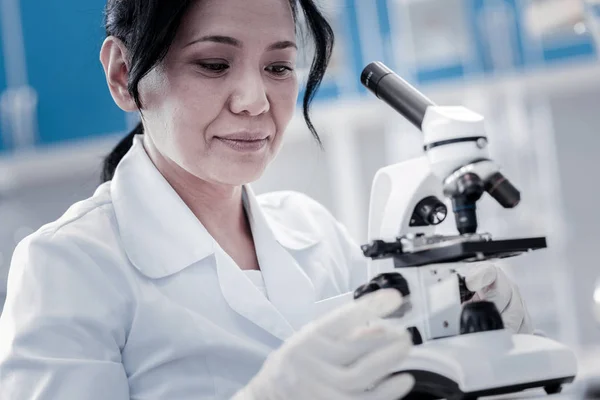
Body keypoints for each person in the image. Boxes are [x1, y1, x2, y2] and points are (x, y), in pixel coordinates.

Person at [0, 0, 532, 398]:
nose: (256, 101)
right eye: (213, 64)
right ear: (123, 75)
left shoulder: (316, 233)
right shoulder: (67, 267)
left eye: (278, 67)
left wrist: (470, 341)